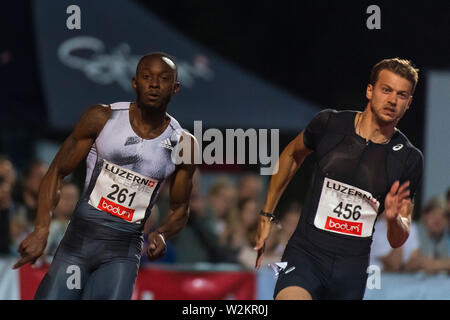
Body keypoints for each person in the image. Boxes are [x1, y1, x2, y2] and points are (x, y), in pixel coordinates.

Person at [13, 52, 197, 300]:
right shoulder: (102, 117)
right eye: (146, 77)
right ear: (134, 83)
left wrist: (163, 233)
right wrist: (41, 229)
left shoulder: (184, 144)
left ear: (174, 88)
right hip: (77, 244)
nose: (154, 84)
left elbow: (180, 208)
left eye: (163, 79)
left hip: (122, 252)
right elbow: (57, 171)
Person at [254, 58, 423, 300]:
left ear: (409, 103)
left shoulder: (408, 158)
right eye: (386, 90)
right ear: (370, 90)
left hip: (351, 271)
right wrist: (266, 214)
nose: (393, 100)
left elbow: (398, 240)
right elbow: (292, 154)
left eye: (401, 94)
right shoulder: (330, 124)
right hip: (305, 256)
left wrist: (395, 220)